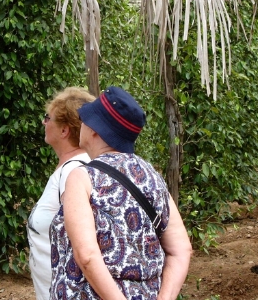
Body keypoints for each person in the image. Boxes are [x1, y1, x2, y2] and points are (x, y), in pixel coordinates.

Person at [50, 86, 192, 300]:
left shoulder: (82, 178)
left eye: (86, 119)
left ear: (95, 130)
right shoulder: (152, 176)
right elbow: (181, 250)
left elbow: (87, 256)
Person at [27, 87, 95, 300]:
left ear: (64, 130)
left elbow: (85, 247)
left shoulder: (73, 172)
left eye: (48, 118)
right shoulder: (69, 168)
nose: (43, 123)